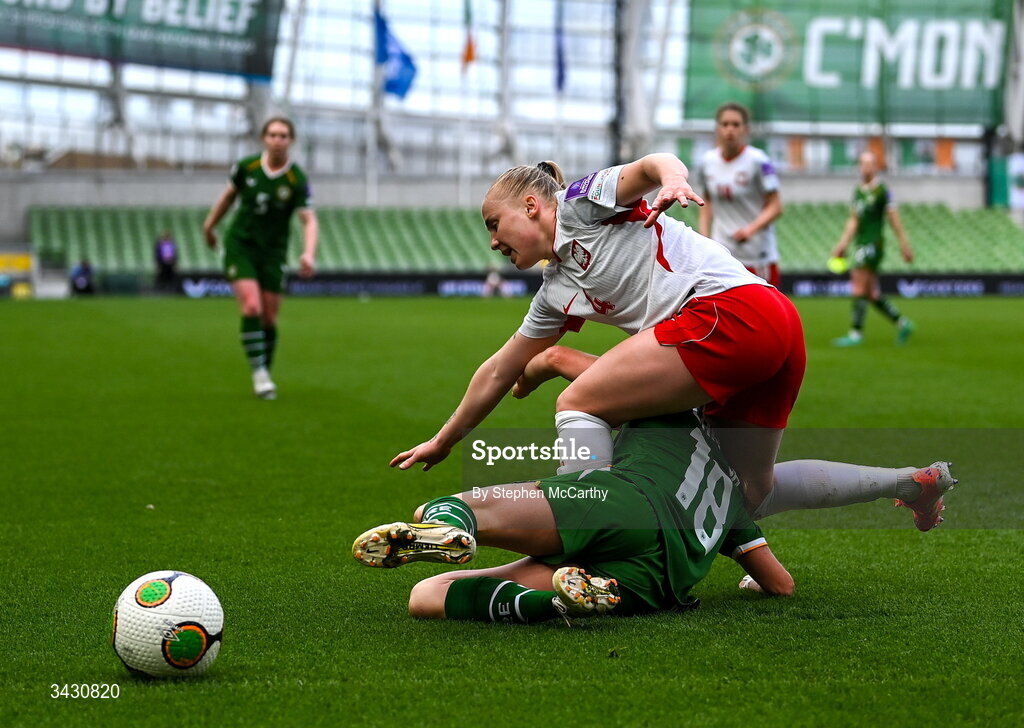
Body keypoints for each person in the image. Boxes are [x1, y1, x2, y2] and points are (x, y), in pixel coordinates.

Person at [391, 155, 953, 530]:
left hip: (727, 314)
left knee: (577, 401)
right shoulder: (556, 290)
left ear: (532, 206)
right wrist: (445, 441)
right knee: (748, 492)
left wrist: (673, 180)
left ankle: (584, 532)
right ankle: (911, 482)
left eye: (494, 223)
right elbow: (497, 370)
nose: (491, 241)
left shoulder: (582, 203)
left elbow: (653, 163)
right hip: (773, 322)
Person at [361, 411, 955, 623]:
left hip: (625, 502)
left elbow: (582, 374)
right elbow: (781, 584)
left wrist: (542, 366)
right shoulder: (733, 503)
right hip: (656, 580)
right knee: (429, 594)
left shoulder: (663, 411)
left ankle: (451, 527)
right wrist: (752, 580)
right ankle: (565, 598)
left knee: (459, 516)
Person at [202, 117, 318, 399]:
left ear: (291, 141)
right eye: (272, 134)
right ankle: (259, 374)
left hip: (273, 251)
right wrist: (209, 226)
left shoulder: (296, 179)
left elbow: (309, 220)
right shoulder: (247, 168)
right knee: (252, 307)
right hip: (240, 245)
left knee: (269, 317)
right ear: (264, 138)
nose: (277, 140)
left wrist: (308, 253)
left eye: (283, 135)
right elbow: (229, 197)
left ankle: (264, 368)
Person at [692, 102, 784, 286]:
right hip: (722, 252)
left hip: (756, 252)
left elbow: (776, 206)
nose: (730, 130)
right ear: (717, 128)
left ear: (745, 129)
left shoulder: (758, 161)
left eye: (736, 124)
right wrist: (704, 238)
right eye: (725, 124)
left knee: (763, 312)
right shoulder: (707, 162)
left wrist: (750, 229)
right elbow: (707, 201)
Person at [830, 151, 915, 347]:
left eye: (870, 164)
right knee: (871, 294)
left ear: (876, 167)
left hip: (873, 244)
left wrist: (904, 244)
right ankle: (904, 324)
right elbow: (854, 220)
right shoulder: (858, 191)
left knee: (858, 287)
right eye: (863, 163)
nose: (866, 167)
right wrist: (842, 244)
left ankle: (855, 334)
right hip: (861, 243)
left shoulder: (882, 191)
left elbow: (894, 218)